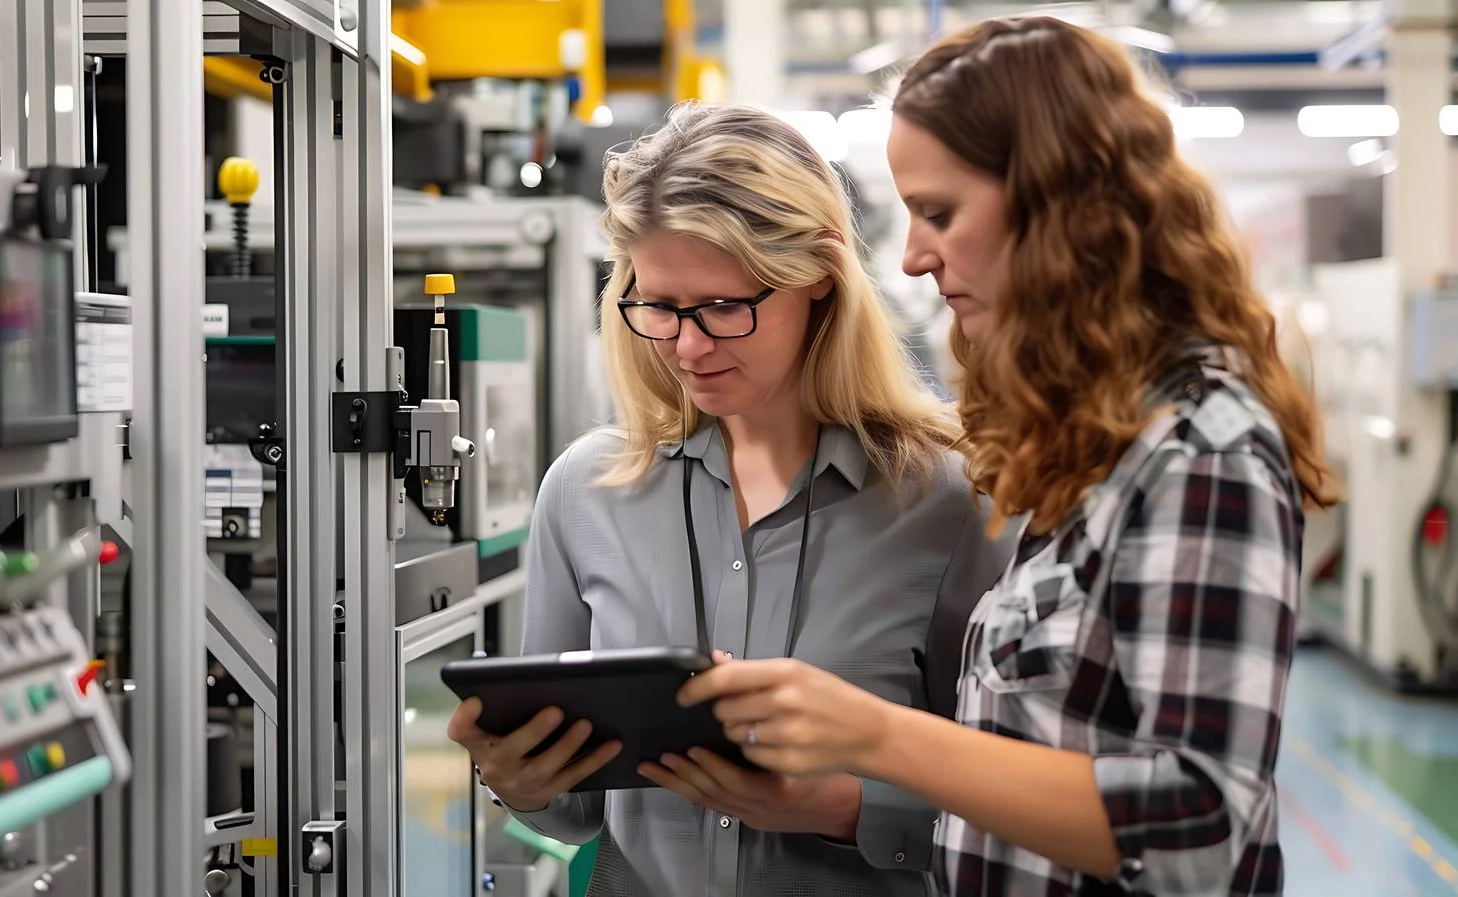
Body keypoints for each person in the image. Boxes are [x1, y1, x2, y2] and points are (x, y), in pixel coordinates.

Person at [676, 16, 1339, 897]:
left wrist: (876, 735)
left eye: (940, 213)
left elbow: (1202, 824)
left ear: (1060, 206)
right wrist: (837, 799)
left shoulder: (1199, 451)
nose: (912, 257)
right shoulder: (1089, 447)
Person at [446, 102, 1017, 897]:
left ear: (819, 274)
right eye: (658, 305)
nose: (686, 345)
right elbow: (571, 815)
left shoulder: (951, 497)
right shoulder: (585, 492)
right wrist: (520, 778)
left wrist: (842, 806)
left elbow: (1021, 807)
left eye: (721, 306)